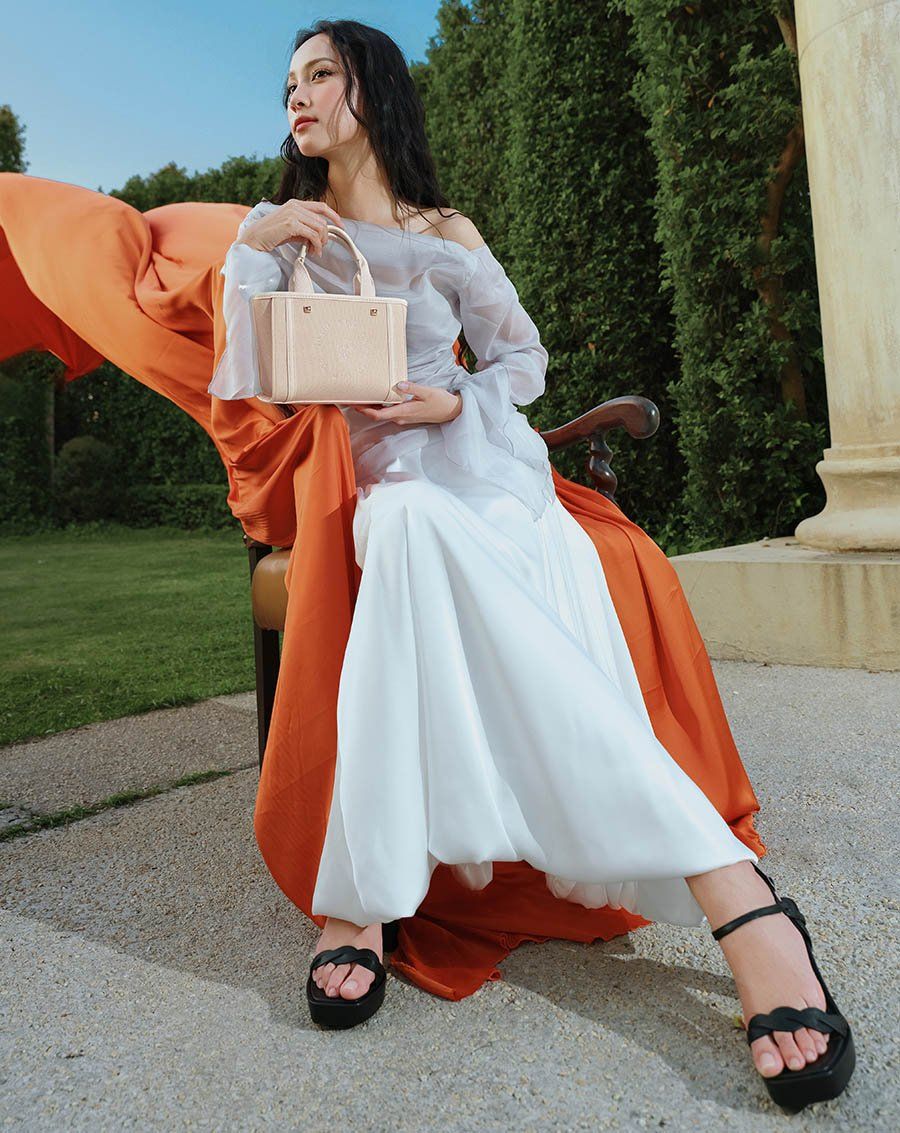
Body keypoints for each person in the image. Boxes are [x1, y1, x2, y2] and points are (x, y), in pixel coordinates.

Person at [208, 18, 854, 1110]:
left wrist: (448, 399)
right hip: (362, 488)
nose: (298, 97)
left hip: (473, 473)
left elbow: (524, 359)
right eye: (288, 84)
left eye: (321, 74)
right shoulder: (284, 235)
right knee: (402, 524)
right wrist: (254, 244)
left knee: (428, 526)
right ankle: (735, 891)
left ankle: (357, 902)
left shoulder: (446, 231)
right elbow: (246, 381)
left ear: (376, 91)